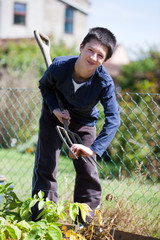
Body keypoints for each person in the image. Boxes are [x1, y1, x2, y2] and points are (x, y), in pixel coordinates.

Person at [32, 27, 120, 223]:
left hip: (84, 121)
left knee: (87, 170)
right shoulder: (59, 66)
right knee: (46, 165)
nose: (93, 57)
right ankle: (41, 220)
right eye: (90, 50)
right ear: (81, 47)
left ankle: (83, 225)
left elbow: (114, 119)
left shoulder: (104, 83)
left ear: (104, 61)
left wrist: (94, 150)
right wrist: (54, 107)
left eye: (100, 55)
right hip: (54, 114)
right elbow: (45, 85)